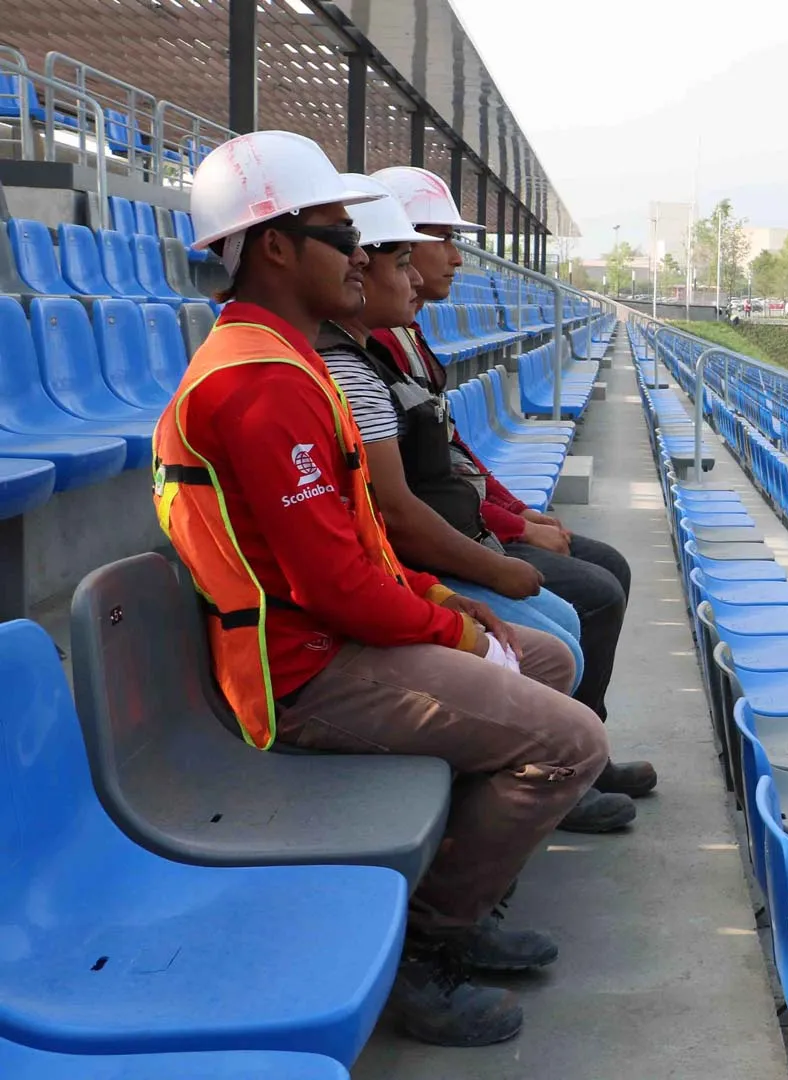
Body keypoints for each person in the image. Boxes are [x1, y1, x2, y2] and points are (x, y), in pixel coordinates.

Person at [157, 131, 605, 1046]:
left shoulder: (286, 362)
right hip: (303, 672)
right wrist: (458, 634)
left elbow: (356, 545)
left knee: (548, 657)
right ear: (274, 246)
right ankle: (424, 952)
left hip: (333, 638)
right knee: (570, 742)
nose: (360, 254)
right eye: (338, 234)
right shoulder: (257, 384)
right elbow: (336, 589)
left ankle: (456, 900)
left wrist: (449, 608)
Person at [315, 175, 640, 834]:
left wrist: (519, 518)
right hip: (419, 566)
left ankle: (575, 757)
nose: (454, 259)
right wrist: (488, 570)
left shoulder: (398, 340)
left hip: (443, 548)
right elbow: (396, 512)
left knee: (597, 583)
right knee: (585, 603)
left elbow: (454, 456)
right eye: (425, 247)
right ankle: (558, 770)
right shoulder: (343, 361)